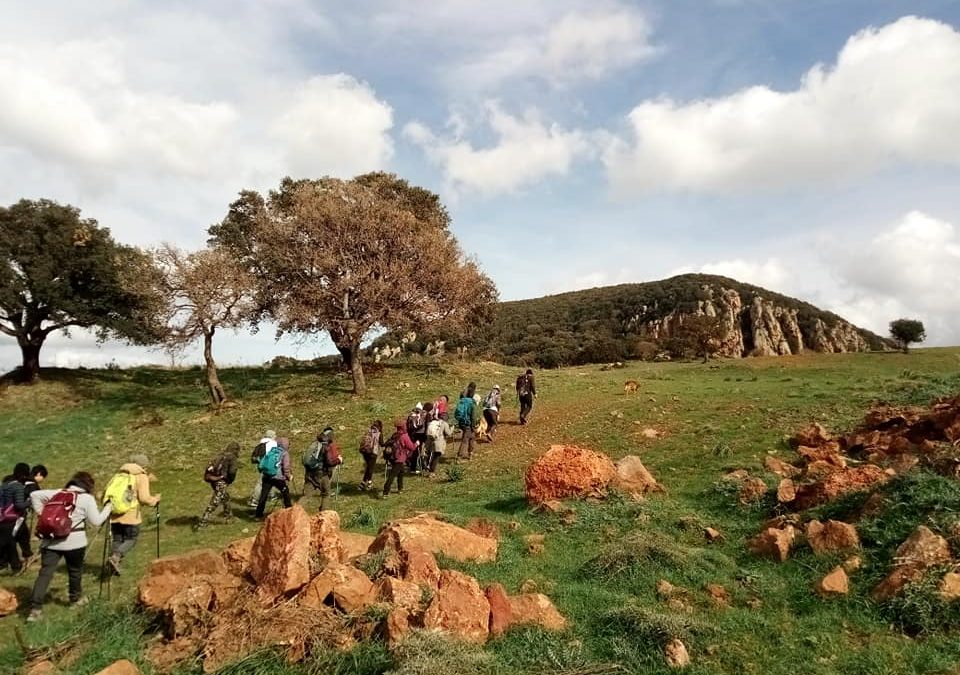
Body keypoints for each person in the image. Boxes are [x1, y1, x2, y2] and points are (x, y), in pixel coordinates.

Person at [27, 471, 112, 622]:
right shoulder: (86, 498)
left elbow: (34, 495)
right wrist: (108, 508)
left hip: (50, 541)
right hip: (75, 541)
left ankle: (35, 609)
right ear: (88, 485)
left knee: (45, 574)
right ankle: (75, 599)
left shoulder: (57, 493)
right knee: (74, 571)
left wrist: (43, 515)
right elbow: (96, 521)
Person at [106, 454, 161, 576]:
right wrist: (155, 500)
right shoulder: (140, 476)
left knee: (117, 539)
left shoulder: (119, 474)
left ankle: (114, 561)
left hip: (115, 514)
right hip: (130, 515)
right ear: (143, 466)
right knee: (131, 539)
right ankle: (115, 557)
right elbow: (144, 498)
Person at [197, 443, 240, 529]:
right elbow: (232, 472)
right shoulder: (232, 458)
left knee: (225, 498)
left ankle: (229, 517)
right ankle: (203, 521)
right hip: (222, 481)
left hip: (214, 480)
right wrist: (229, 480)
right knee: (215, 501)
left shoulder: (221, 455)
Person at [0, 463, 30, 573]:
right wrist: (30, 501)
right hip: (10, 519)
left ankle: (6, 564)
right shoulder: (17, 486)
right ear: (23, 475)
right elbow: (19, 505)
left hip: (1, 518)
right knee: (11, 543)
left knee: (5, 542)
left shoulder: (3, 485)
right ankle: (16, 567)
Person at [15, 464, 48, 564]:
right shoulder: (32, 485)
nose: (42, 480)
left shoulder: (22, 481)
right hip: (18, 514)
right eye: (43, 477)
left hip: (14, 512)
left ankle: (27, 554)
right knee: (20, 534)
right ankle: (22, 556)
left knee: (21, 534)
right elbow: (37, 499)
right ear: (38, 474)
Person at [304, 428, 343, 511]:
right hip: (321, 474)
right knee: (326, 494)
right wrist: (339, 460)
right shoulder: (326, 446)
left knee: (306, 496)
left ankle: (295, 513)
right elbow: (329, 462)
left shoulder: (315, 443)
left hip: (309, 473)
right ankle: (323, 514)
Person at [255, 437, 293, 518]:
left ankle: (258, 513)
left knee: (264, 495)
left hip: (267, 476)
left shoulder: (271, 450)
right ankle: (289, 511)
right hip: (277, 478)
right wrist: (289, 476)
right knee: (285, 492)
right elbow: (286, 467)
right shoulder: (284, 453)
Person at [382, 420, 415, 498]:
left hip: (392, 457)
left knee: (401, 472)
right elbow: (412, 447)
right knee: (392, 475)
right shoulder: (404, 436)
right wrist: (417, 443)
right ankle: (385, 492)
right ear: (403, 427)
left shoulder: (394, 435)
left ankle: (400, 488)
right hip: (399, 458)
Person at [248, 430, 277, 507]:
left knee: (270, 479)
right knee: (262, 482)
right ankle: (254, 499)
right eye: (274, 435)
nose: (276, 436)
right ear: (271, 436)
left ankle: (271, 495)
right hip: (269, 465)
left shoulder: (262, 443)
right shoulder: (273, 443)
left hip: (261, 464)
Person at [455, 390, 482, 460]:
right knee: (465, 440)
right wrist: (473, 427)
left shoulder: (467, 402)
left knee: (472, 437)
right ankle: (459, 456)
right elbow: (473, 417)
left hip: (463, 423)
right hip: (468, 424)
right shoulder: (473, 405)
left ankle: (470, 453)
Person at [358, 421, 384, 491]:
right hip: (373, 452)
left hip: (365, 452)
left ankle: (362, 484)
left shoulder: (368, 431)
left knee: (368, 467)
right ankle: (369, 483)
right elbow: (382, 444)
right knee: (370, 468)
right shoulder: (379, 433)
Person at [406, 403, 428, 474]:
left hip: (413, 435)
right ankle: (421, 466)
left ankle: (412, 467)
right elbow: (422, 425)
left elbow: (408, 426)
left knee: (414, 451)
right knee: (420, 451)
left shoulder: (411, 415)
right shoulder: (423, 414)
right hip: (421, 435)